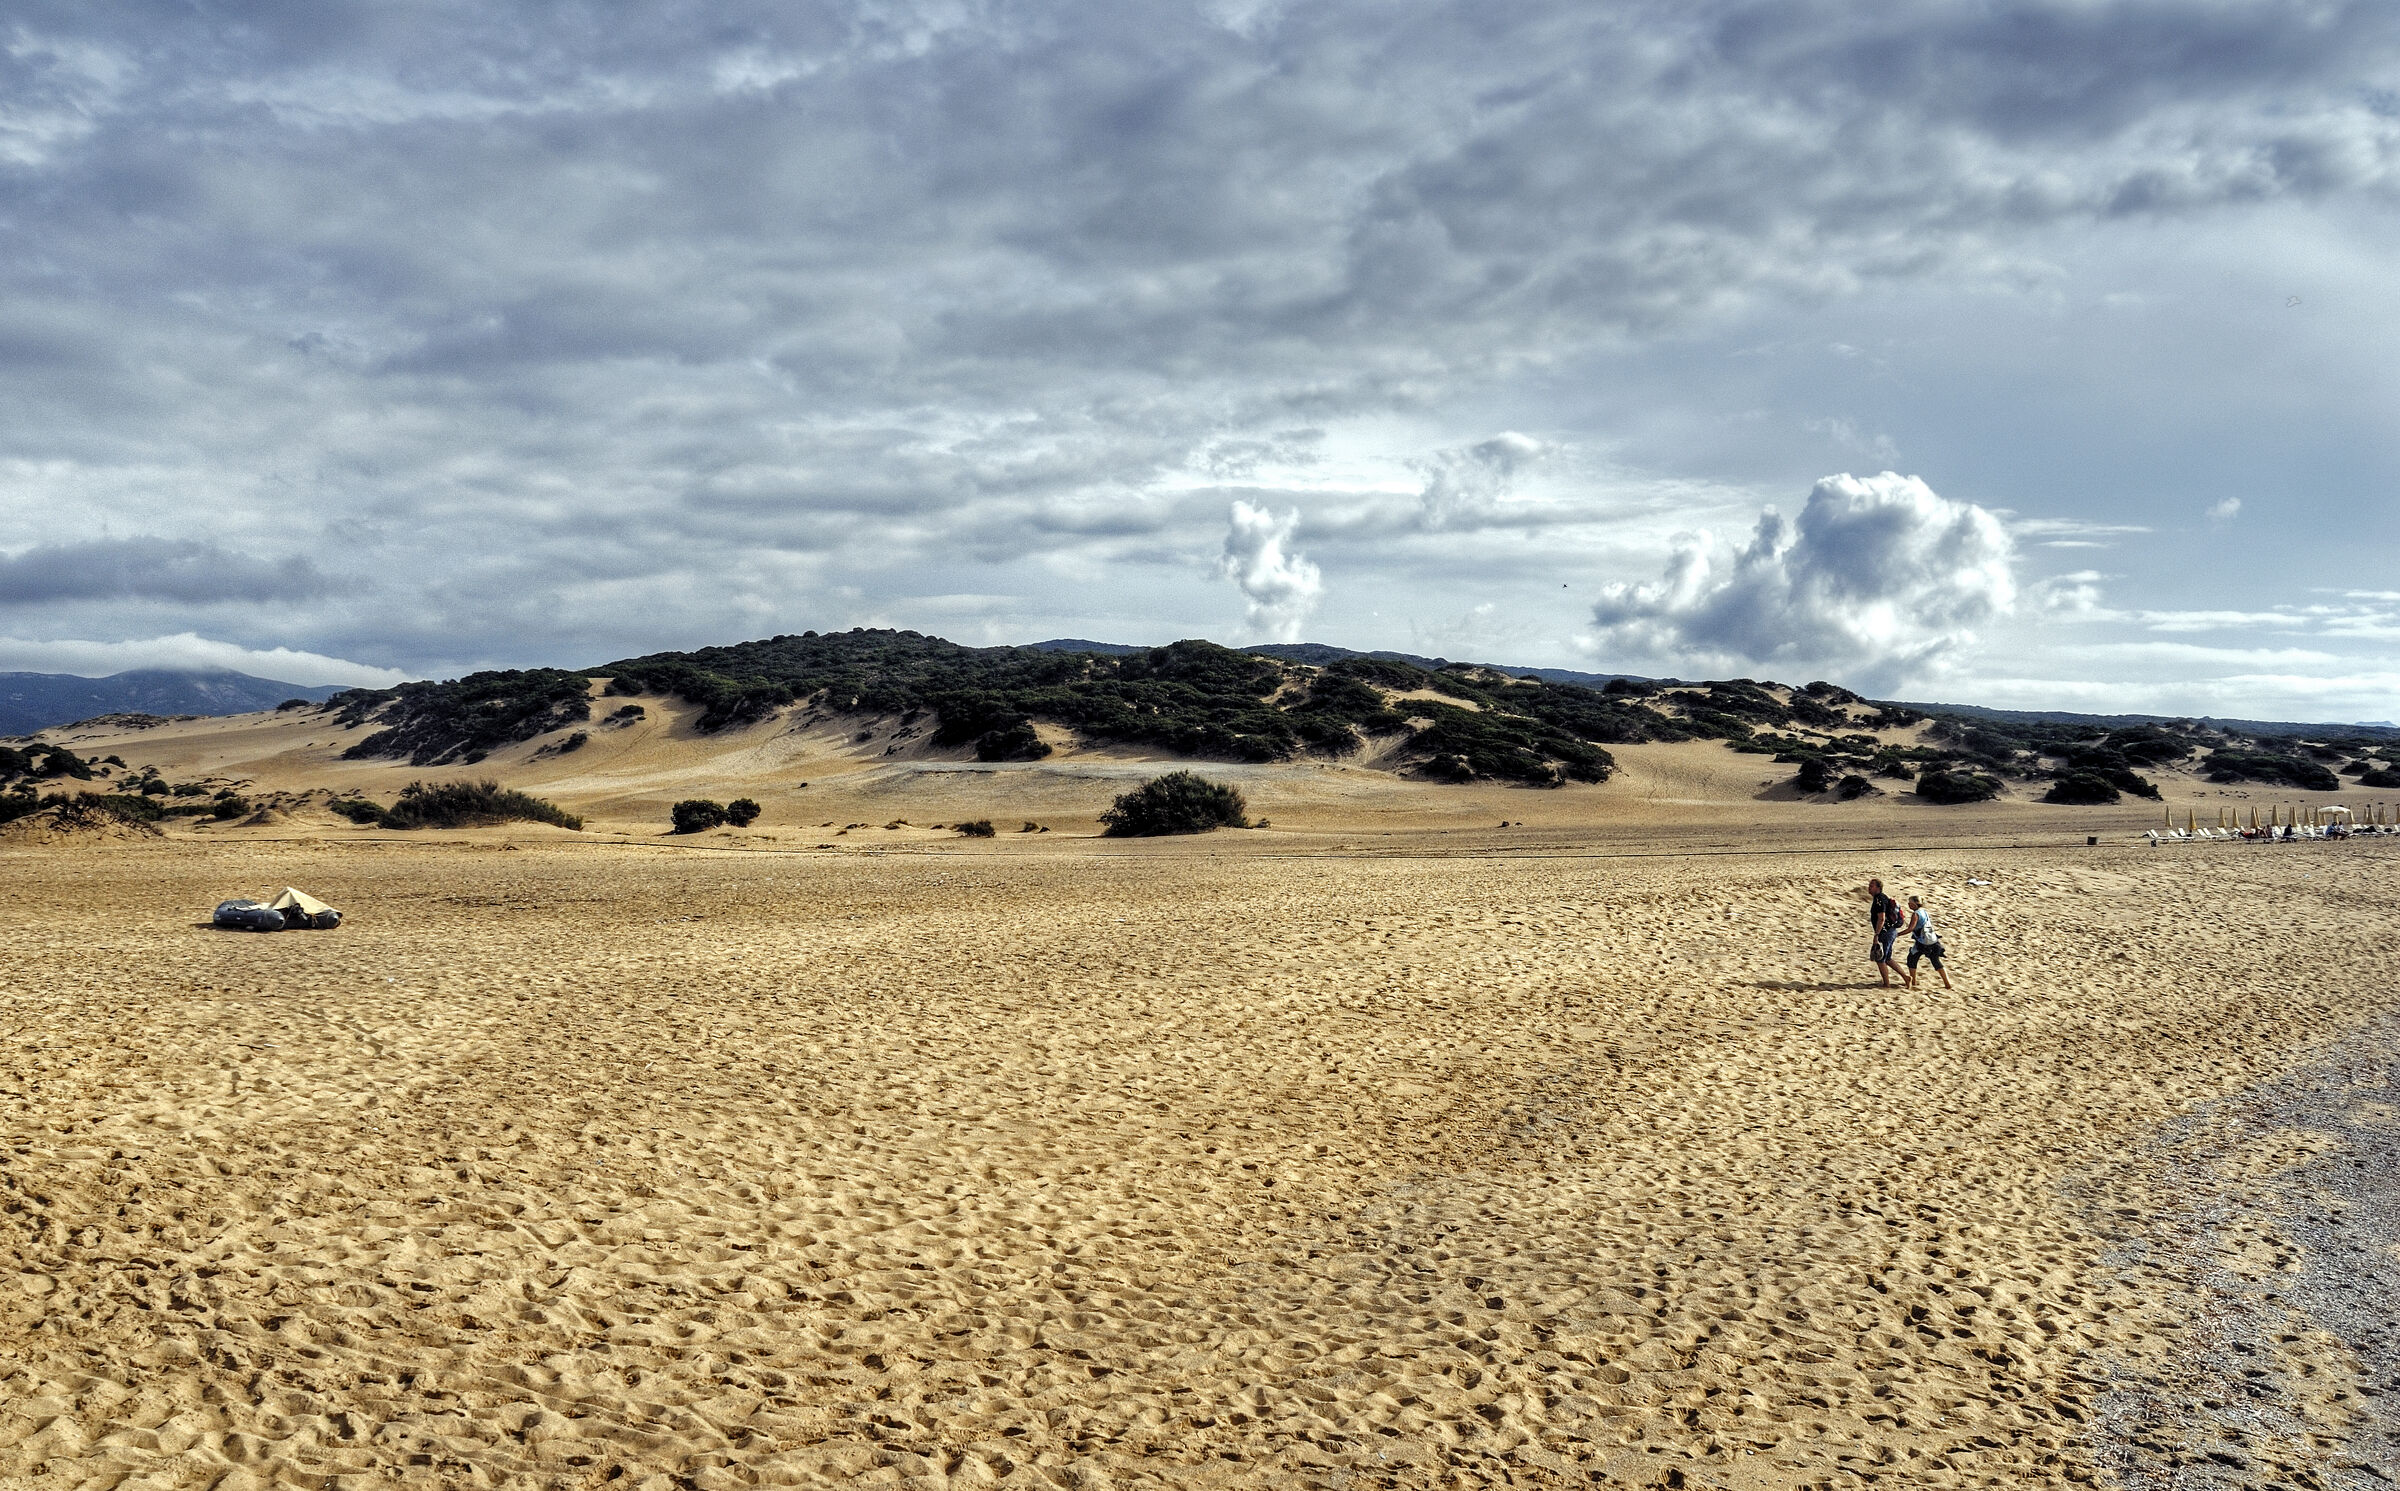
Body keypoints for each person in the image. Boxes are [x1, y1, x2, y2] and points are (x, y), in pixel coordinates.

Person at [1904, 895, 1951, 990]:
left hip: (1923, 942)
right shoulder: (1924, 911)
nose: (1908, 905)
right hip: (1932, 940)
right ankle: (1947, 983)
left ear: (1914, 904)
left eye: (1910, 903)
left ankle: (1913, 982)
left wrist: (1898, 934)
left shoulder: (1915, 914)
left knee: (1912, 958)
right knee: (1936, 961)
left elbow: (1911, 928)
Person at [1866, 878, 1902, 987]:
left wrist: (1876, 935)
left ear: (1878, 888)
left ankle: (1886, 984)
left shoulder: (1879, 900)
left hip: (1885, 932)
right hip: (1890, 931)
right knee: (1888, 959)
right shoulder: (1881, 898)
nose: (1869, 887)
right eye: (1869, 885)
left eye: (1872, 885)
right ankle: (1906, 977)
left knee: (1880, 959)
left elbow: (1881, 918)